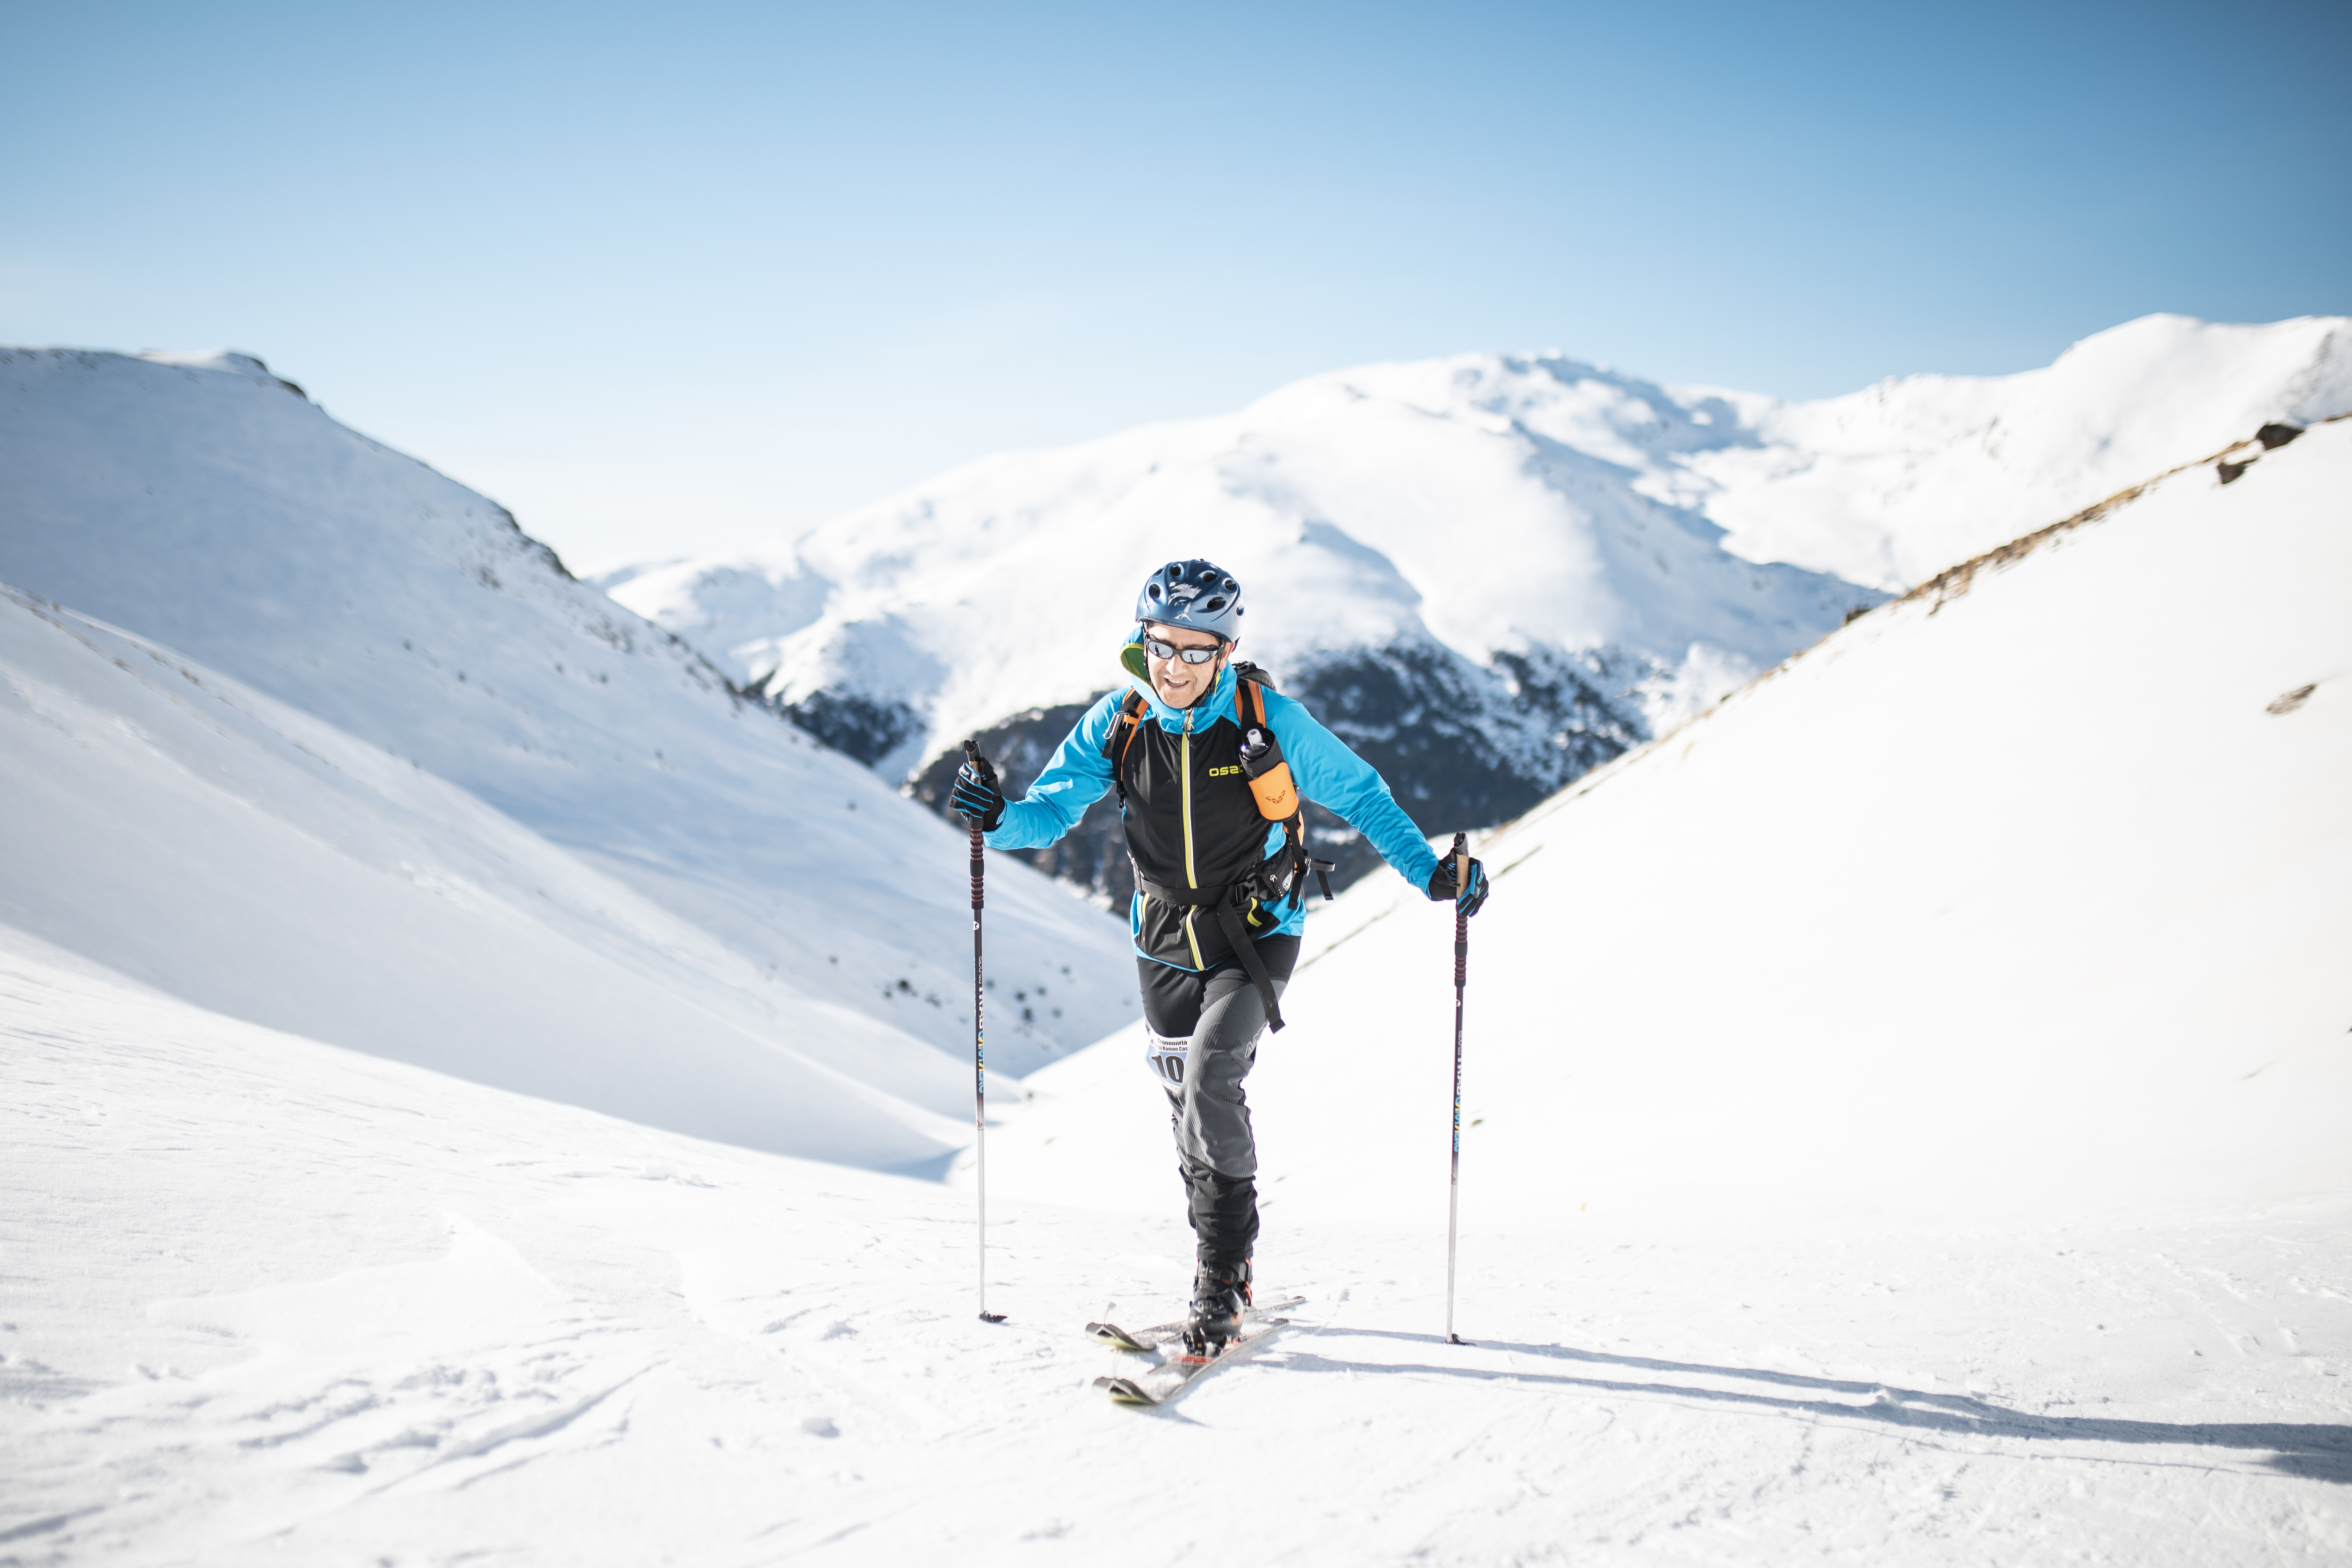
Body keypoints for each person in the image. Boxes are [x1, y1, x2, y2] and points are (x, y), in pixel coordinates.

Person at [951, 559, 1491, 1350]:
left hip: (1257, 927)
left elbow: (1365, 795)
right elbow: (1049, 813)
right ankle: (1227, 1258)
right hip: (1161, 936)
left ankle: (1218, 1275)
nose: (1172, 665)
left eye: (1195, 650)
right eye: (1158, 645)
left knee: (1210, 1075)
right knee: (1184, 1100)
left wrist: (1431, 874)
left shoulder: (1268, 720)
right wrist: (993, 816)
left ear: (1226, 650)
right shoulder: (1120, 719)